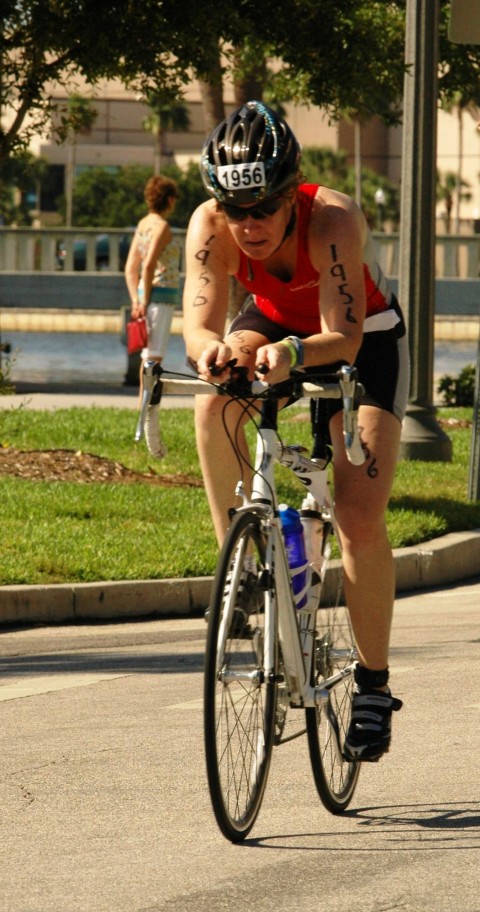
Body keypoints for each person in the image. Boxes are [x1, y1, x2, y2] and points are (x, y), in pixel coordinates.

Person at [183, 100, 409, 763]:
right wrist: (209, 354)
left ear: (291, 196)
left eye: (264, 208)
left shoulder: (334, 219)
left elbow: (341, 334)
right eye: (234, 208)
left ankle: (373, 685)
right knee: (214, 403)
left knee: (358, 515)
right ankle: (240, 567)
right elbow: (199, 323)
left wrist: (293, 355)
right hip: (273, 320)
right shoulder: (209, 226)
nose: (248, 224)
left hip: (361, 339)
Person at [125, 174, 181, 458]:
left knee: (147, 361)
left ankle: (142, 415)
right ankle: (146, 423)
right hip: (160, 300)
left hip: (147, 301)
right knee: (153, 362)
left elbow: (131, 268)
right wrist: (146, 301)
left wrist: (136, 300)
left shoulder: (142, 225)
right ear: (169, 199)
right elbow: (147, 268)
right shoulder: (162, 227)